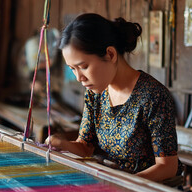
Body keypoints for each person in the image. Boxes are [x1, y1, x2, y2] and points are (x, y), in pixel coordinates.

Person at [46, 13, 183, 182]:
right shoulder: (96, 93)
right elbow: (85, 147)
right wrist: (61, 143)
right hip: (112, 185)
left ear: (110, 54)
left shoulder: (153, 96)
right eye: (73, 69)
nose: (79, 77)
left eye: (83, 67)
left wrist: (126, 186)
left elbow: (168, 166)